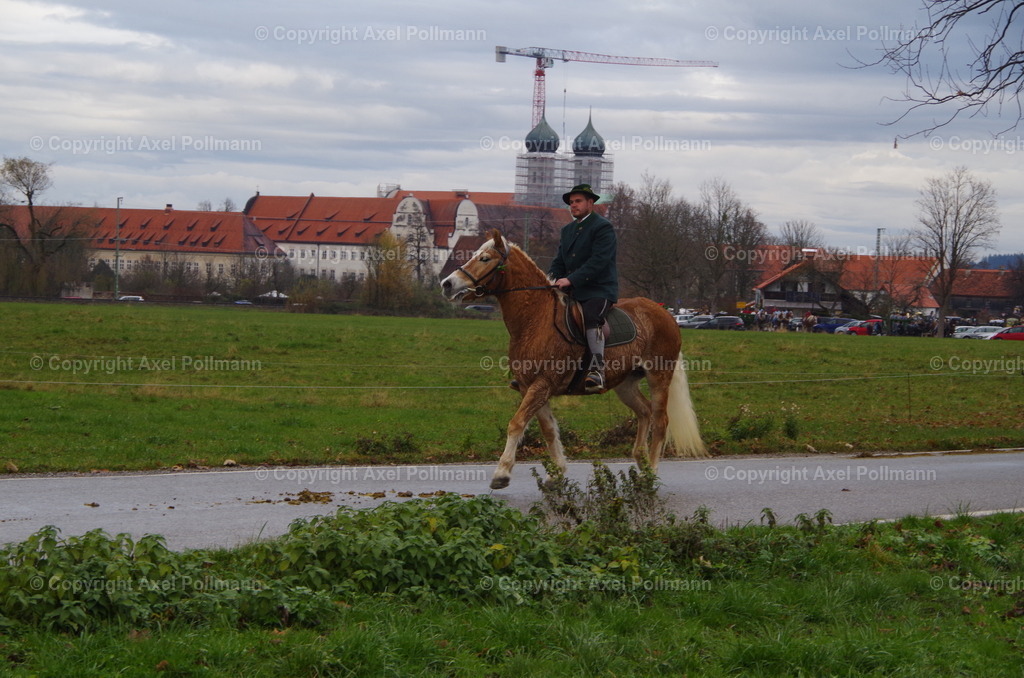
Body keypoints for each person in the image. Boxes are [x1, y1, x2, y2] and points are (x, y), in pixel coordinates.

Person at [549, 184, 618, 393]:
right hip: (572, 289)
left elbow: (599, 261)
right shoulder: (568, 230)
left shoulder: (602, 227)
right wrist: (551, 278)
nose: (573, 206)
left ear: (590, 202)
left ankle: (597, 370)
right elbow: (559, 260)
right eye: (571, 203)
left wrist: (571, 280)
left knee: (591, 317)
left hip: (599, 289)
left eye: (577, 201)